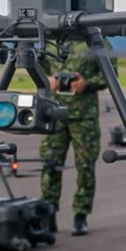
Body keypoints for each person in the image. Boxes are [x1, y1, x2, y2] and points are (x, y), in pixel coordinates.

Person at [39, 41, 113, 236]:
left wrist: (86, 83)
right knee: (50, 164)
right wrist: (47, 80)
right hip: (54, 113)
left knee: (86, 166)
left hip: (84, 116)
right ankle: (49, 214)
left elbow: (109, 76)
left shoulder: (96, 41)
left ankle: (81, 215)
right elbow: (37, 68)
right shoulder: (49, 43)